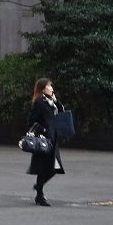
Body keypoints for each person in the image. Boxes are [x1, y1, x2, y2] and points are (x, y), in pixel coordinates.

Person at [26, 77, 65, 207]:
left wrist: (56, 101)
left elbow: (61, 112)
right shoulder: (39, 102)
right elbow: (31, 120)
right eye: (49, 86)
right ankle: (39, 195)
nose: (52, 88)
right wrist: (43, 129)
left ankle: (38, 188)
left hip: (53, 138)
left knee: (55, 167)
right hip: (44, 139)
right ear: (43, 89)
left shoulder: (51, 102)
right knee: (43, 167)